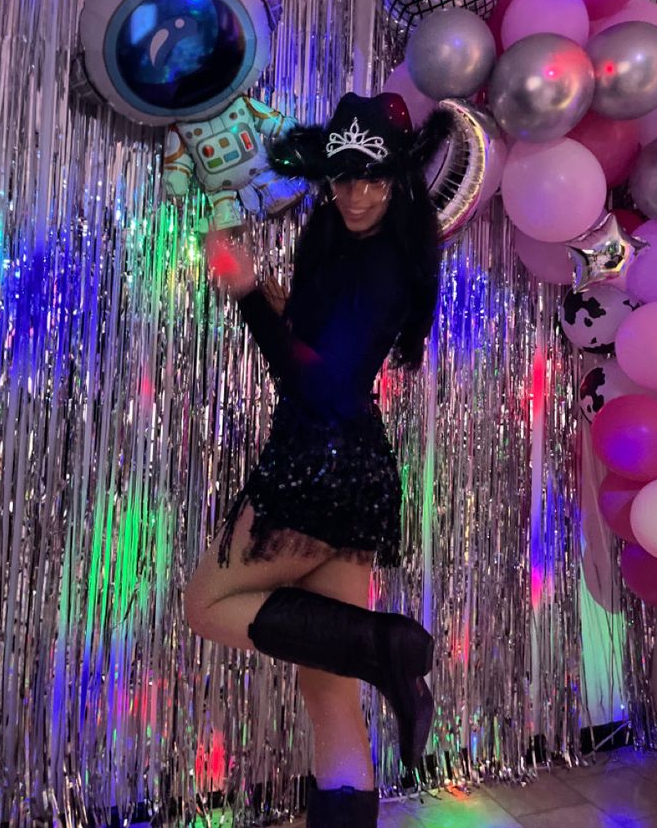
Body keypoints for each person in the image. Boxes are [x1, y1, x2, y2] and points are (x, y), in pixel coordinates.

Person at [185, 91, 450, 827]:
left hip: (318, 467)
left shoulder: (389, 259)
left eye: (372, 177)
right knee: (325, 687)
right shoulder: (338, 238)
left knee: (205, 606)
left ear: (397, 178)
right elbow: (316, 342)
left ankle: (385, 645)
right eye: (342, 178)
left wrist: (242, 293)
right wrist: (268, 293)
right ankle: (375, 655)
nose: (356, 193)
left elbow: (320, 380)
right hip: (348, 467)